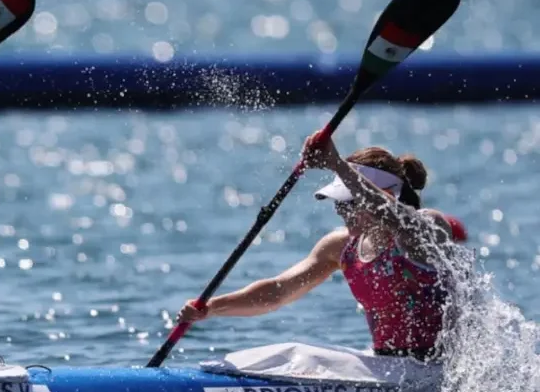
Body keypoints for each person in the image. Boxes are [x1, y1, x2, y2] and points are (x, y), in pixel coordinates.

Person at [178, 131, 457, 362]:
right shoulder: (340, 247)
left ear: (384, 195)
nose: (340, 212)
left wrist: (336, 163)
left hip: (440, 370)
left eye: (347, 203)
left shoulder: (427, 230)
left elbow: (392, 215)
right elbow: (279, 291)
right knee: (290, 357)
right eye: (338, 203)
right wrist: (213, 308)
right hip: (387, 366)